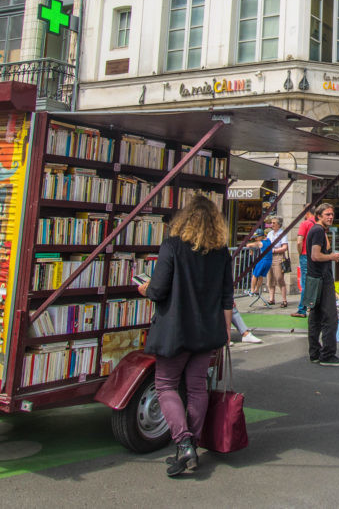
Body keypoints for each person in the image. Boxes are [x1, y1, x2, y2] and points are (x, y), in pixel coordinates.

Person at [138, 194, 233, 477]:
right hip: (208, 331)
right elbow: (227, 296)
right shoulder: (221, 252)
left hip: (176, 331)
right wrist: (226, 332)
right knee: (196, 388)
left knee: (166, 385)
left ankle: (183, 442)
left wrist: (145, 289)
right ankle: (191, 443)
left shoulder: (172, 246)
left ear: (184, 219)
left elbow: (158, 290)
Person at [305, 203, 339, 366]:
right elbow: (315, 256)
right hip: (321, 279)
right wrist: (332, 257)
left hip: (315, 278)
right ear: (319, 216)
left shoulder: (317, 231)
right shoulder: (318, 231)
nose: (330, 217)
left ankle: (315, 352)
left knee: (316, 317)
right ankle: (327, 354)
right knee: (330, 317)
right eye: (327, 214)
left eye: (332, 214)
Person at [291, 208, 315, 318]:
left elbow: (299, 241)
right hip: (315, 256)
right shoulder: (318, 224)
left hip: (305, 255)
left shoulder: (305, 224)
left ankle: (302, 309)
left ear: (306, 212)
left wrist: (300, 253)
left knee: (304, 283)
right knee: (313, 282)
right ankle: (311, 306)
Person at [265, 216, 290, 307]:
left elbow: (284, 247)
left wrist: (274, 250)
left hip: (278, 257)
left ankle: (284, 300)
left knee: (279, 278)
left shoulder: (282, 233)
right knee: (270, 278)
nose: (272, 224)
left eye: (274, 223)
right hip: (269, 257)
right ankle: (271, 299)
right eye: (271, 223)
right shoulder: (270, 233)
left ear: (279, 224)